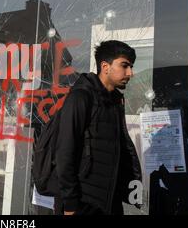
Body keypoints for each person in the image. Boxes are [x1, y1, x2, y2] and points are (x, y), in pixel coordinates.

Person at [54, 40, 142, 215]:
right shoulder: (81, 97)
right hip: (84, 203)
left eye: (131, 67)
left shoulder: (115, 101)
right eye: (124, 66)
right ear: (105, 66)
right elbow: (65, 153)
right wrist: (70, 204)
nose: (130, 73)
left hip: (110, 201)